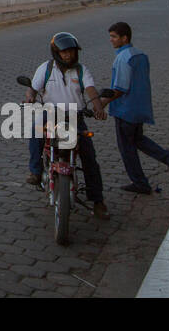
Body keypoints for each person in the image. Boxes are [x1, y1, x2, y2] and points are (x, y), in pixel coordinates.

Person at [23, 32, 109, 220]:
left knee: (89, 157)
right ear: (56, 52)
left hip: (75, 116)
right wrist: (29, 97)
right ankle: (35, 171)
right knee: (35, 132)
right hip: (50, 114)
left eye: (71, 52)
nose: (68, 55)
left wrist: (98, 107)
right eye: (64, 52)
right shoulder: (45, 68)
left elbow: (91, 90)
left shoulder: (81, 70)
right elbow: (33, 87)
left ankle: (98, 200)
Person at [103, 22, 169, 194]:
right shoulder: (140, 54)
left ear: (124, 38)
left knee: (127, 149)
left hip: (126, 110)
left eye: (114, 37)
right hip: (139, 108)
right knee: (138, 140)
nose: (111, 40)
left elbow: (120, 88)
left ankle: (140, 182)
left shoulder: (123, 58)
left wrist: (102, 102)